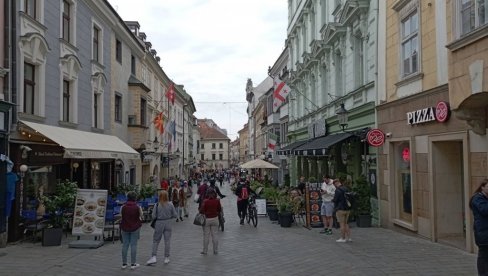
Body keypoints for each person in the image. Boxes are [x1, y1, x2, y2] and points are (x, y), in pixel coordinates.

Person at [146, 190, 177, 266]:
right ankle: (166, 257)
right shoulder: (170, 204)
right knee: (167, 241)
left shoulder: (157, 205)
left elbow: (153, 216)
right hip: (168, 223)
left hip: (159, 223)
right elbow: (175, 215)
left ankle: (154, 256)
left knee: (156, 240)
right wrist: (169, 216)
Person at [120, 191, 143, 270]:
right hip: (135, 228)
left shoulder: (123, 207)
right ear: (135, 198)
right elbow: (141, 216)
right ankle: (133, 264)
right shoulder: (137, 207)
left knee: (125, 245)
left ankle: (124, 264)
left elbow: (120, 215)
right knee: (134, 245)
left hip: (124, 227)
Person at [469, 179, 488, 275]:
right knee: (483, 255)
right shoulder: (477, 199)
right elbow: (485, 210)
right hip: (483, 232)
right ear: (482, 187)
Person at [199, 188, 222, 255]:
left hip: (207, 219)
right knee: (215, 235)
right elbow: (219, 209)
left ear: (207, 194)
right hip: (215, 219)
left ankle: (205, 251)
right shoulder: (217, 201)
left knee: (206, 236)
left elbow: (201, 211)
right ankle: (215, 251)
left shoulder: (205, 201)